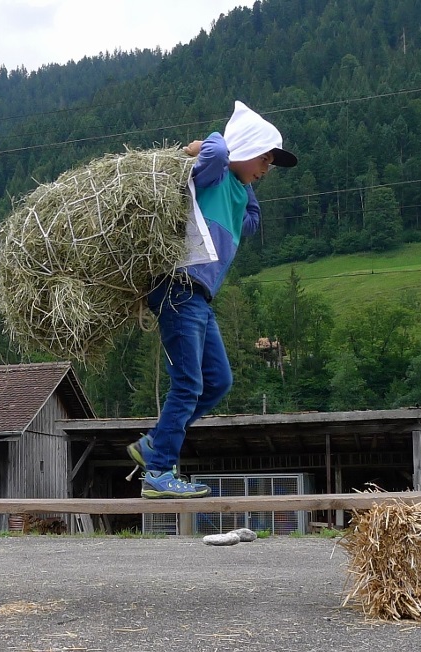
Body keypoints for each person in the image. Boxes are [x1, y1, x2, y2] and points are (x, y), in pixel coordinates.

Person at [128, 101, 297, 498]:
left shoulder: (237, 192)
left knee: (218, 381)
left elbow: (252, 219)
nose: (267, 168)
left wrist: (248, 180)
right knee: (187, 383)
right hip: (177, 287)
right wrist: (205, 146)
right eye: (264, 158)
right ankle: (158, 471)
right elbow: (219, 151)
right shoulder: (212, 175)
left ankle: (154, 444)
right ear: (245, 148)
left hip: (200, 298)